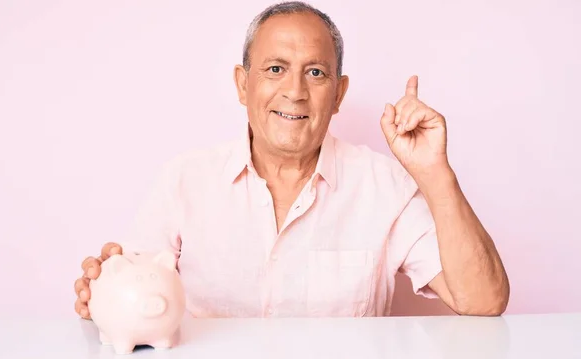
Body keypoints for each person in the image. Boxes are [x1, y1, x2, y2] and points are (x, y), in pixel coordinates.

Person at [74, 1, 509, 319]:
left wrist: (436, 174)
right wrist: (106, 294)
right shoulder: (184, 180)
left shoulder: (384, 185)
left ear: (338, 94)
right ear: (243, 85)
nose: (296, 91)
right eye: (275, 69)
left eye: (316, 72)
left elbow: (483, 301)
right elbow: (134, 295)